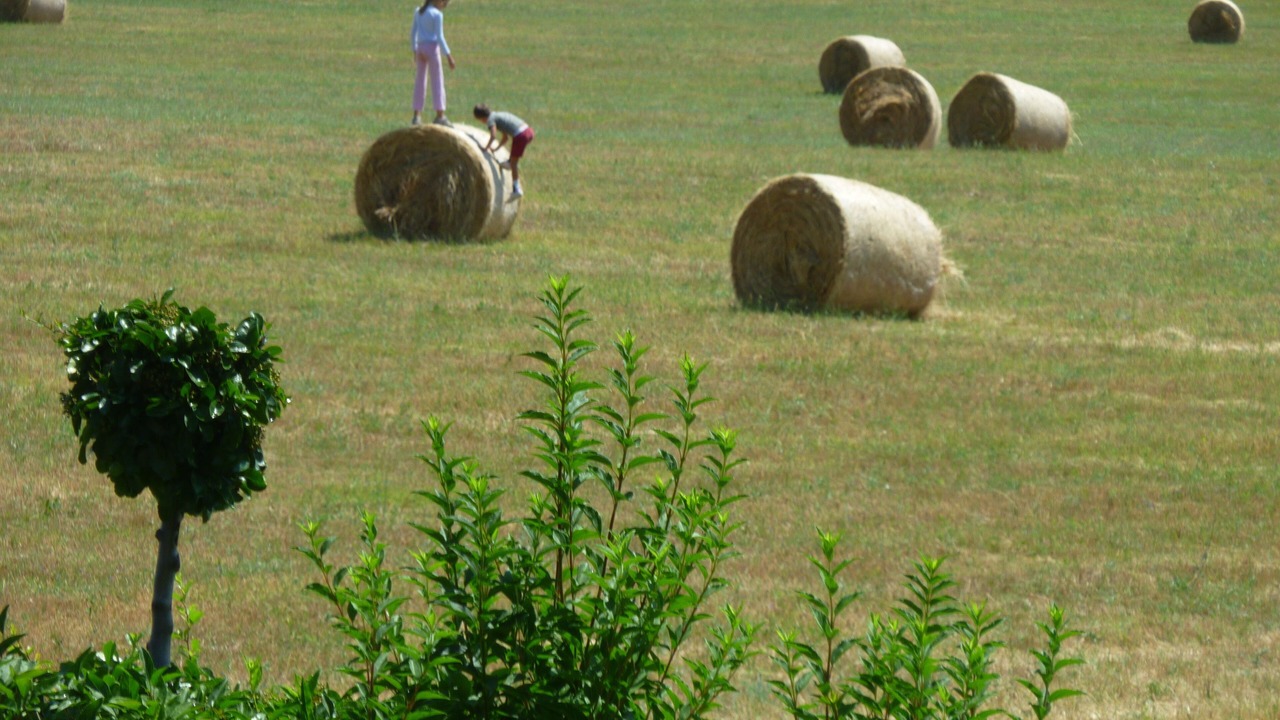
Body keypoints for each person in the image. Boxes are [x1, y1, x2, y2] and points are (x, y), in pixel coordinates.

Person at [473, 104, 534, 199]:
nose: (482, 122)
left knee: (513, 164)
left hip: (520, 135)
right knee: (511, 161)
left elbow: (493, 136)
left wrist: (485, 148)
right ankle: (509, 163)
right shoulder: (498, 115)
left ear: (482, 118)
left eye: (480, 120)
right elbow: (505, 138)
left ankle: (516, 189)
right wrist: (495, 149)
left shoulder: (490, 120)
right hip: (528, 131)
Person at [410, 0, 455, 127]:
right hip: (432, 48)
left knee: (420, 81)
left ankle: (416, 115)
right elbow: (440, 37)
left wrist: (414, 50)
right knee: (437, 81)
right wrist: (449, 55)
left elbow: (413, 33)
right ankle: (440, 114)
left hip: (420, 48)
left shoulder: (418, 11)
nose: (444, 5)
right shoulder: (437, 14)